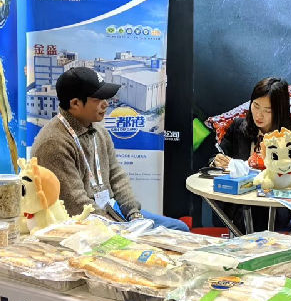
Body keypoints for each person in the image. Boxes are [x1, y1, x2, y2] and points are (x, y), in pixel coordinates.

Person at [32, 67, 188, 230]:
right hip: (86, 226)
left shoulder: (98, 131)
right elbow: (76, 205)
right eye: (98, 99)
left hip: (112, 210)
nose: (106, 104)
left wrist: (134, 214)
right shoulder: (54, 144)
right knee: (167, 235)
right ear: (75, 103)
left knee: (179, 228)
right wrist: (122, 229)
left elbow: (116, 175)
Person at [212, 77, 291, 231]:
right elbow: (217, 155)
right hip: (239, 203)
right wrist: (217, 161)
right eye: (256, 106)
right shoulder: (239, 127)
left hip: (274, 206)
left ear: (280, 111)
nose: (259, 115)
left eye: (267, 110)